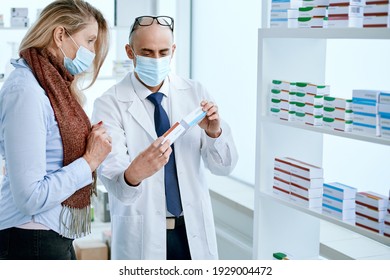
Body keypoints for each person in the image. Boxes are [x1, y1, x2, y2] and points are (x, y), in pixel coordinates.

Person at [92, 15, 238, 260]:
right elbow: (118, 188)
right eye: (146, 52)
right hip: (143, 238)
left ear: (173, 50)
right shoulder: (110, 104)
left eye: (162, 52)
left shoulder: (194, 92)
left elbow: (224, 167)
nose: (156, 60)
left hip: (192, 233)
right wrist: (135, 173)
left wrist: (214, 133)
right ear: (130, 52)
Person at [0, 0, 112, 260]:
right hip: (29, 241)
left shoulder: (51, 86)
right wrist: (89, 161)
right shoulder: (27, 91)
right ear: (61, 35)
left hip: (47, 236)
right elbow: (30, 197)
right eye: (90, 40)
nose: (93, 52)